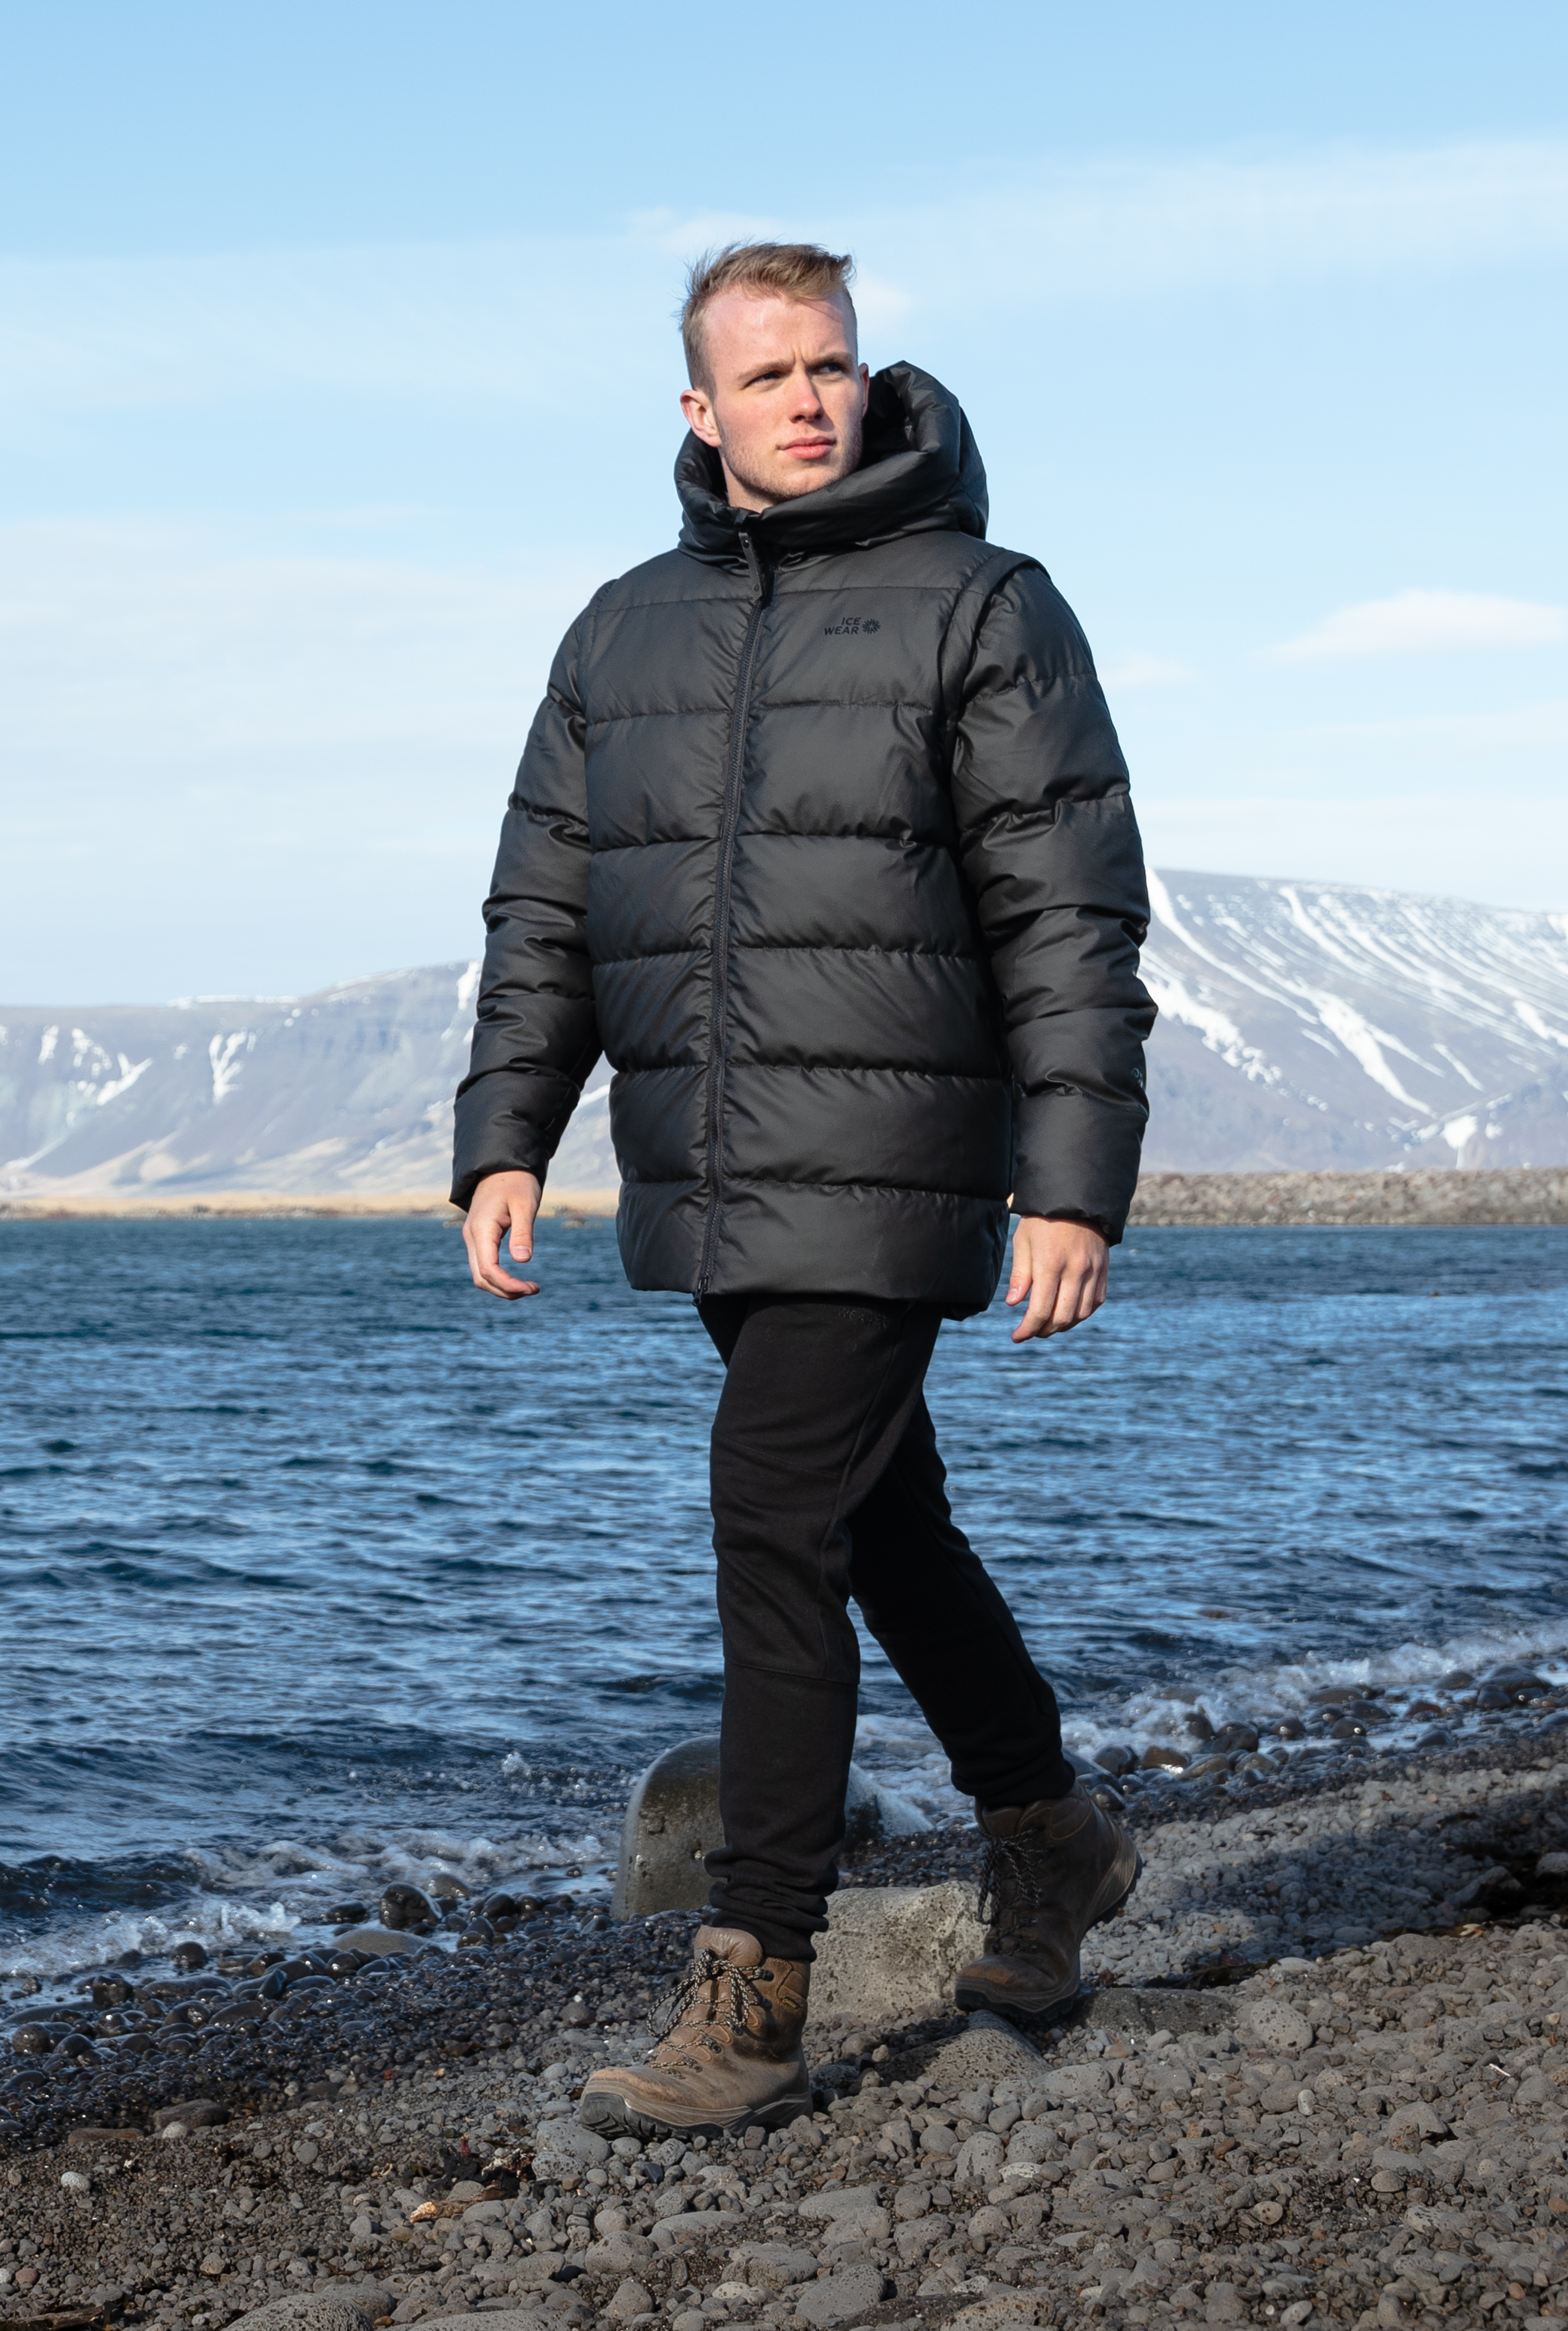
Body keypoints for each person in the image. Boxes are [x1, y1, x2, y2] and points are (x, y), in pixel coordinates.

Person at [453, 239, 1158, 2139]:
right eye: (763, 376)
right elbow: (544, 906)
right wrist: (505, 1130)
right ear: (696, 408)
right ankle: (1052, 1841)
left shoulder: (981, 604)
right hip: (708, 1162)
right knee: (881, 1527)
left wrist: (1071, 1181)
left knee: (771, 1516)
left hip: (899, 1151)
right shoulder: (620, 632)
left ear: (865, 376)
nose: (804, 399)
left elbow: (1066, 911)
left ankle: (749, 1988)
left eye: (827, 366)